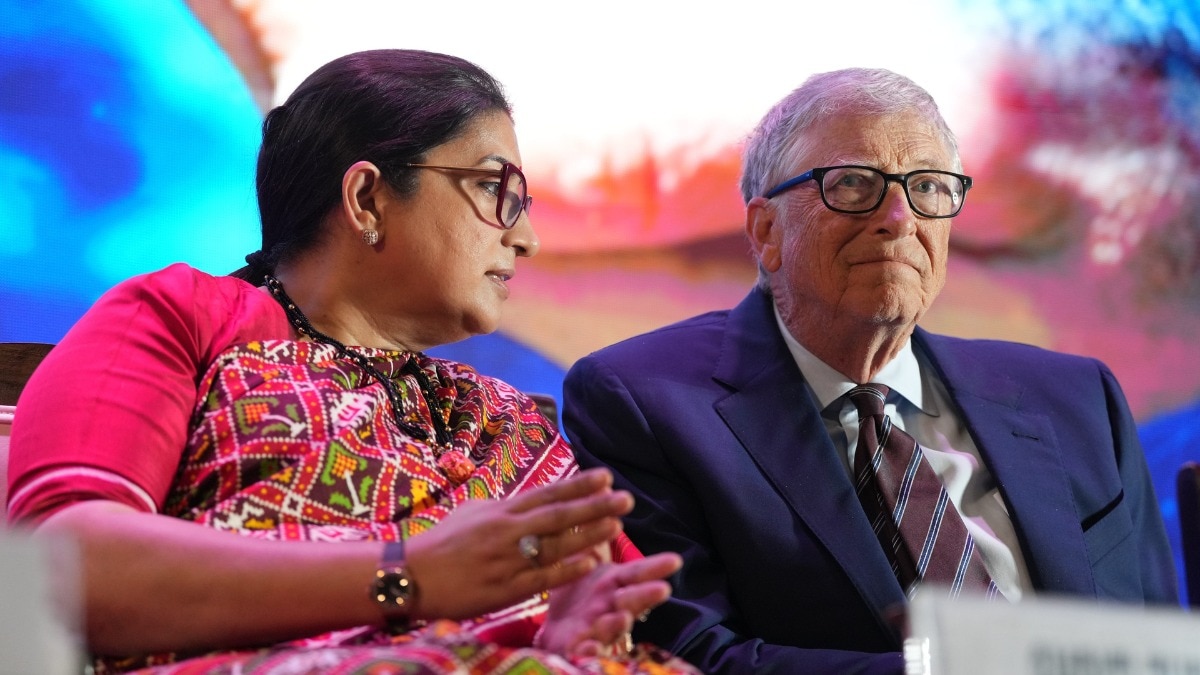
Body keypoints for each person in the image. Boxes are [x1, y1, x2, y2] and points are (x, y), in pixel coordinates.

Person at [4, 49, 695, 675]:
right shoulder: (184, 319)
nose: (528, 239)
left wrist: (566, 635)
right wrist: (405, 575)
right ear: (367, 199)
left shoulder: (502, 419)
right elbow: (58, 566)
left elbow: (617, 602)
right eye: (495, 190)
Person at [562, 67, 1178, 674]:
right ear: (767, 230)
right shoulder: (642, 402)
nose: (899, 218)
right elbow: (690, 658)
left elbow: (1159, 641)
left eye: (928, 186)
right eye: (854, 184)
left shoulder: (1076, 398)